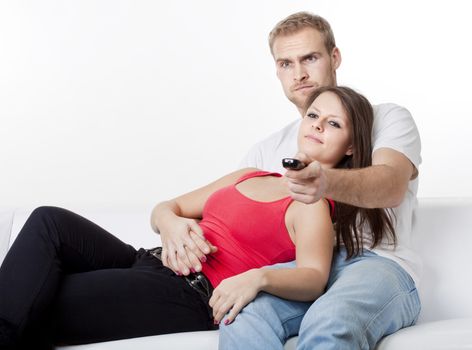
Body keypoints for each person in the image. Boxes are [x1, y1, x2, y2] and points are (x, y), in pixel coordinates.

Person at [0, 86, 386, 350]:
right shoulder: (251, 174)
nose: (317, 124)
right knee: (48, 220)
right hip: (148, 258)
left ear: (351, 146)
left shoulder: (312, 203)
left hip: (188, 293)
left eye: (333, 123)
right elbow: (166, 208)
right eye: (314, 115)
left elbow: (314, 278)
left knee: (41, 298)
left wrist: (259, 277)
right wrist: (170, 224)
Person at [215, 12, 422, 350]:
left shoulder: (386, 118)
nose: (299, 74)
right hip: (300, 268)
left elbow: (391, 185)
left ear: (334, 57)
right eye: (286, 63)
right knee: (241, 315)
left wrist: (324, 183)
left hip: (376, 264)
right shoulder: (265, 150)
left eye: (310, 58)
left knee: (330, 319)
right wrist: (171, 219)